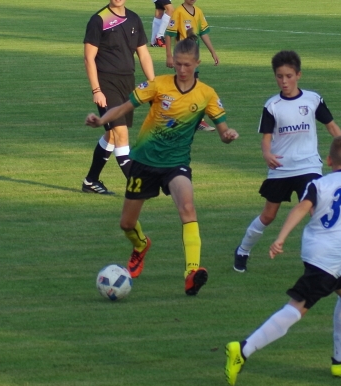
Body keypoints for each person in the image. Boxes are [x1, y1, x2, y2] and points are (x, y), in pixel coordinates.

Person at [85, 33, 238, 296]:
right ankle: (141, 245)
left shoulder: (207, 95)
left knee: (187, 207)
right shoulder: (158, 85)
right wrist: (101, 122)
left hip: (175, 163)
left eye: (187, 65)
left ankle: (192, 273)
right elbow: (123, 107)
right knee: (126, 224)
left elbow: (223, 130)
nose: (181, 69)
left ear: (197, 63)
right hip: (144, 161)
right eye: (177, 63)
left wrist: (227, 135)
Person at [225, 136, 341, 386]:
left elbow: (300, 209)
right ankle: (243, 349)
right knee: (297, 307)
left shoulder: (318, 183)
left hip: (313, 252)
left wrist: (280, 239)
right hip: (330, 259)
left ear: (328, 161)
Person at [233, 50, 341, 272]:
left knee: (315, 210)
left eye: (289, 76)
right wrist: (266, 154)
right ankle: (243, 250)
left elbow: (331, 126)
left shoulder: (312, 99)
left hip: (309, 166)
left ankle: (325, 262)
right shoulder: (272, 105)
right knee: (268, 215)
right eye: (279, 76)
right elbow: (266, 138)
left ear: (298, 75)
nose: (284, 81)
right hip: (281, 168)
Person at [82, 0, 156, 195]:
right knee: (121, 134)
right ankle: (138, 187)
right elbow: (89, 58)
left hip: (128, 85)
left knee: (112, 135)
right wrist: (96, 90)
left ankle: (90, 181)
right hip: (107, 84)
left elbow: (143, 54)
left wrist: (153, 85)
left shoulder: (134, 19)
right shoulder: (98, 20)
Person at [163, 0, 219, 132]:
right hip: (182, 58)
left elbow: (204, 33)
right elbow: (168, 34)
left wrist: (213, 52)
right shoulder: (179, 12)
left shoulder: (198, 12)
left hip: (193, 58)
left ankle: (174, 118)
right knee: (193, 88)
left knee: (186, 89)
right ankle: (197, 120)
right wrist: (169, 55)